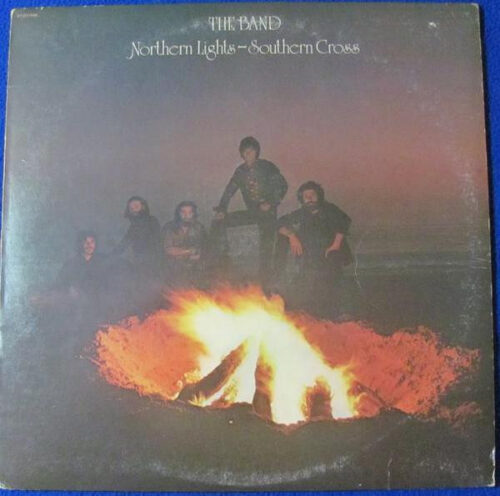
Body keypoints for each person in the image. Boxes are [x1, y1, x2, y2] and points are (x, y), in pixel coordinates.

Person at [212, 136, 288, 284]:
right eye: (245, 151)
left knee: (266, 245)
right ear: (241, 153)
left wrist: (271, 203)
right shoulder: (240, 171)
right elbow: (229, 190)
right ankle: (222, 260)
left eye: (251, 151)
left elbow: (282, 186)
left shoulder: (267, 167)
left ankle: (265, 280)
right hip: (252, 212)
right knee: (220, 222)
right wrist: (222, 208)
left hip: (267, 214)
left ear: (256, 152)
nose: (248, 154)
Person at [275, 181, 352, 317]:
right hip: (311, 256)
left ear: (319, 196)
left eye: (312, 195)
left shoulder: (329, 209)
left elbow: (344, 222)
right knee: (306, 287)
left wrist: (336, 245)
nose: (309, 198)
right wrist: (292, 236)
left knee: (330, 287)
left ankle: (336, 313)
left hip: (330, 253)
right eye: (306, 196)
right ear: (302, 199)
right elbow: (279, 223)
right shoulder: (301, 213)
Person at [112, 196, 162, 279]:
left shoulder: (152, 221)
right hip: (140, 262)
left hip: (153, 263)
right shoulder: (134, 226)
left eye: (136, 206)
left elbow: (157, 242)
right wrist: (111, 255)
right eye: (131, 208)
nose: (133, 210)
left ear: (143, 207)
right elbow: (124, 243)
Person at [163, 201, 207, 287]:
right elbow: (168, 250)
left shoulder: (199, 228)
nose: (186, 215)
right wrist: (189, 252)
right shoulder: (169, 227)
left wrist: (198, 254)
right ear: (178, 213)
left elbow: (204, 248)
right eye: (183, 212)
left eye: (190, 212)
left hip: (195, 269)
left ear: (194, 214)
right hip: (174, 269)